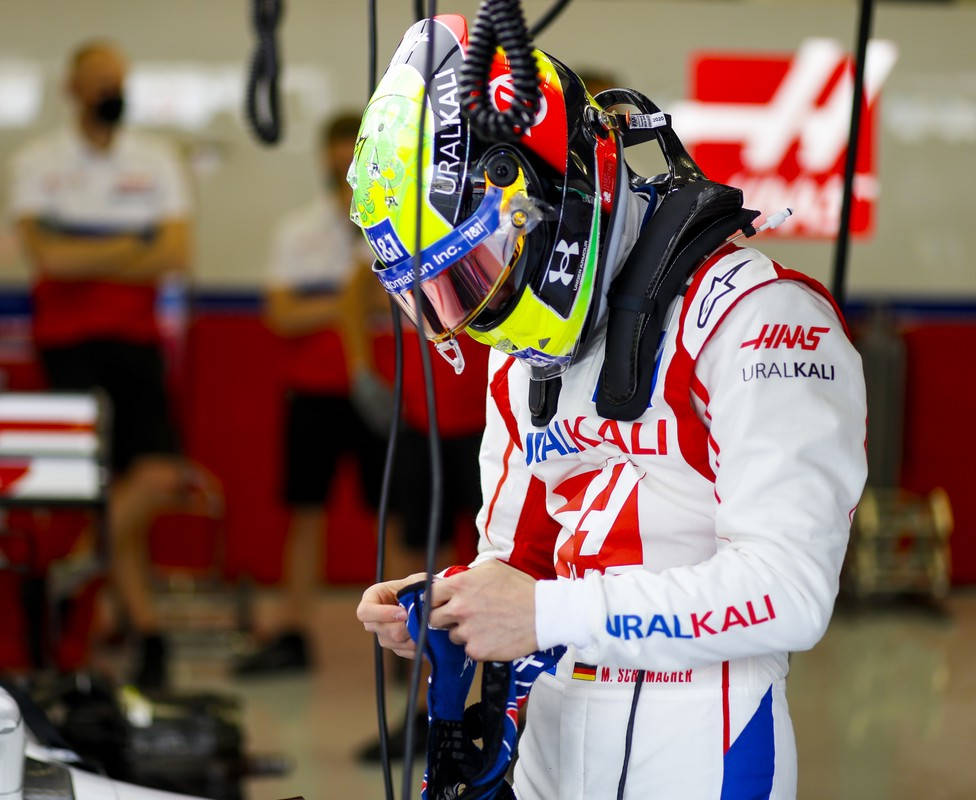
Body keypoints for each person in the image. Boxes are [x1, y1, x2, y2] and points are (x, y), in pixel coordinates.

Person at [355, 16, 866, 799]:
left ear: (547, 189)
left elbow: (790, 590)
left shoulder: (762, 319)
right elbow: (520, 561)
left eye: (474, 270)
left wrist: (548, 613)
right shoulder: (518, 352)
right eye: (438, 296)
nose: (474, 312)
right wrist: (454, 603)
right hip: (546, 727)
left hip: (699, 728)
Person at [9, 40, 192, 688]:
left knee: (155, 475)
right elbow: (47, 260)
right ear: (72, 88)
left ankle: (79, 565)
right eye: (99, 81)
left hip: (137, 343)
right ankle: (147, 634)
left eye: (119, 79)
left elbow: (172, 251)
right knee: (98, 488)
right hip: (66, 345)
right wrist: (128, 246)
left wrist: (83, 247)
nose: (111, 91)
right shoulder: (37, 163)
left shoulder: (156, 159)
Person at [238, 112, 391, 676]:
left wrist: (329, 307)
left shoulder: (399, 222)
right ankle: (294, 631)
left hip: (381, 390)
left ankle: (404, 638)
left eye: (347, 154)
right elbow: (280, 315)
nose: (338, 166)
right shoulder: (296, 231)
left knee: (394, 518)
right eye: (330, 155)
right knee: (304, 514)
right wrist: (353, 302)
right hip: (312, 392)